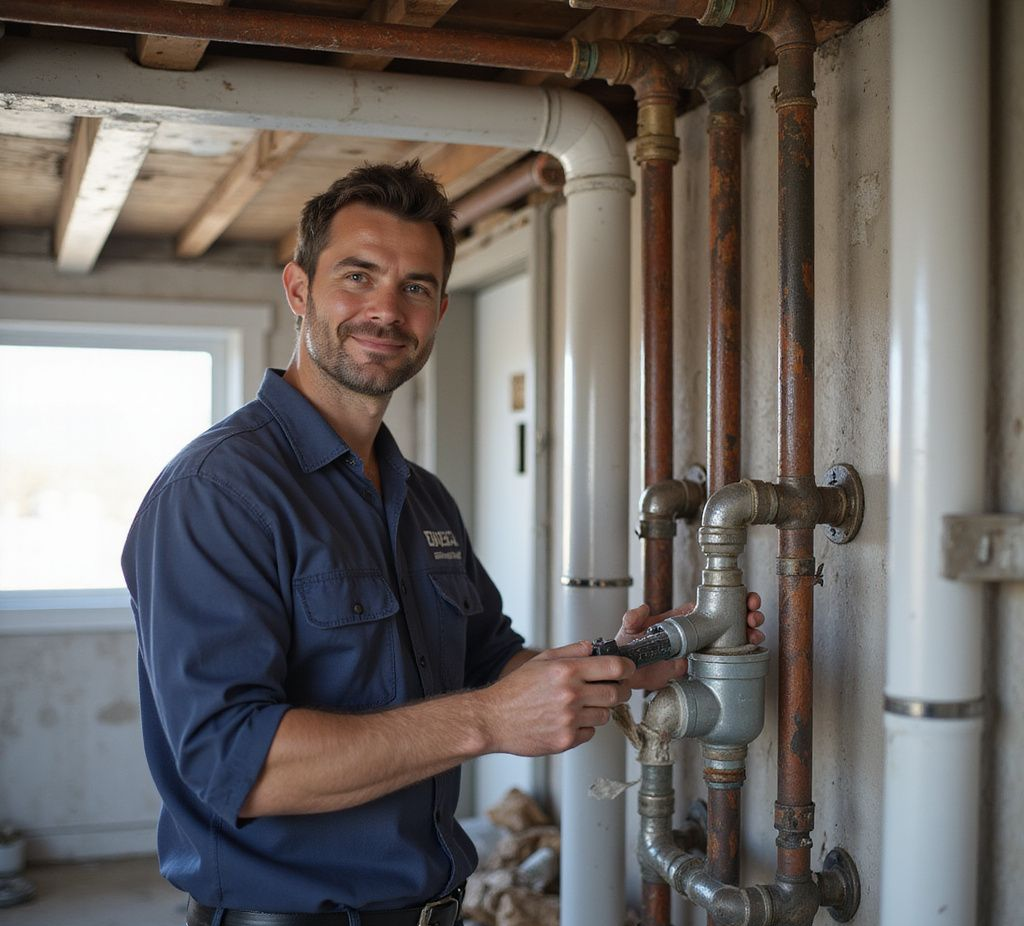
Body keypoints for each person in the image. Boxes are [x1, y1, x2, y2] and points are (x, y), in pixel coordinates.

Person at [122, 161, 765, 926]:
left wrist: (625, 661)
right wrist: (489, 720)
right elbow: (237, 767)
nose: (386, 309)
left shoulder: (419, 495)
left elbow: (488, 665)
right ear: (298, 289)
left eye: (415, 287)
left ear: (439, 310)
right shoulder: (218, 492)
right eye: (357, 276)